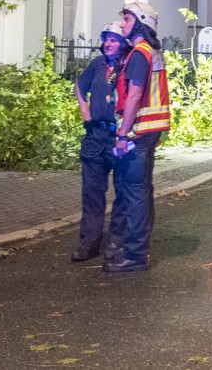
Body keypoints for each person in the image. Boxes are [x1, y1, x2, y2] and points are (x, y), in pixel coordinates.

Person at [105, 1, 171, 273]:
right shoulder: (151, 52)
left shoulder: (139, 54)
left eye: (128, 20)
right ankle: (136, 251)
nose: (122, 24)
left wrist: (122, 135)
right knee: (142, 192)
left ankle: (133, 255)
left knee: (134, 194)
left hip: (138, 131)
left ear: (142, 23)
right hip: (150, 131)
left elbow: (134, 95)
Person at [72, 21, 129, 263]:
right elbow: (79, 86)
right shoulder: (96, 65)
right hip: (95, 137)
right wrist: (83, 108)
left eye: (114, 39)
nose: (108, 43)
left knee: (123, 193)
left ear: (122, 43)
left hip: (118, 138)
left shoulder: (127, 66)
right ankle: (89, 243)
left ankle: (116, 242)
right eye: (106, 38)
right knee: (92, 194)